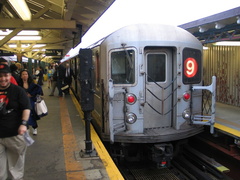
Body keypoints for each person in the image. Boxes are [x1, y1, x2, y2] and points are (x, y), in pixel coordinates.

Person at [0, 64, 31, 180]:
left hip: (15, 134)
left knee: (16, 166)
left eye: (6, 75)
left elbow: (26, 108)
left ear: (10, 76)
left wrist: (23, 124)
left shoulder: (18, 91)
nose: (3, 78)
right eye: (0, 76)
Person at [19, 70, 43, 136]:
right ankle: (26, 128)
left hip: (31, 102)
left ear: (28, 75)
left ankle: (34, 127)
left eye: (26, 74)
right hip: (22, 103)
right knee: (24, 116)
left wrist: (32, 94)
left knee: (32, 115)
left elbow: (38, 89)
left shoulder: (32, 83)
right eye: (23, 74)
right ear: (21, 76)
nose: (25, 76)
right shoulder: (19, 84)